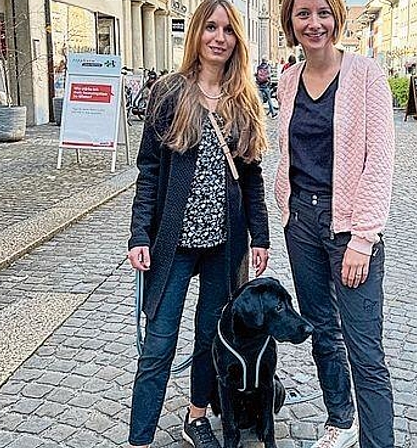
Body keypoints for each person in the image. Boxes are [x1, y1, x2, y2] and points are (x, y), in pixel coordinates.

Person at [126, 0, 270, 446]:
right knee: (159, 342)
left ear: (237, 40)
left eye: (228, 30)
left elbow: (252, 175)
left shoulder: (244, 100)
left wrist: (260, 237)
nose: (219, 37)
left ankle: (196, 416)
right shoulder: (169, 92)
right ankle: (140, 436)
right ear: (196, 33)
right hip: (173, 244)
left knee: (211, 336)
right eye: (211, 27)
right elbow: (149, 169)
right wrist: (138, 234)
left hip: (225, 245)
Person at [275, 0, 395, 446]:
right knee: (322, 329)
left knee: (365, 349)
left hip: (349, 226)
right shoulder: (288, 81)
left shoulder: (365, 74)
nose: (314, 23)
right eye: (302, 13)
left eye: (323, 12)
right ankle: (341, 421)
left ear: (337, 18)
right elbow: (289, 153)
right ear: (290, 22)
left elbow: (378, 161)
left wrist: (363, 238)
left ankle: (377, 442)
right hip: (300, 222)